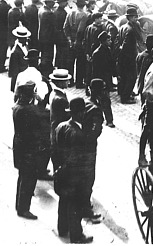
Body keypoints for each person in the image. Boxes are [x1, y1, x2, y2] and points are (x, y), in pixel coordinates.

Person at [54, 97, 94, 244]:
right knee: (75, 205)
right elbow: (76, 158)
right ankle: (76, 235)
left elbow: (55, 150)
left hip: (62, 172)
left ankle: (62, 228)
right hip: (74, 175)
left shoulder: (61, 127)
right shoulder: (78, 134)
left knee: (63, 201)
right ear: (81, 113)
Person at [12, 81, 43, 220]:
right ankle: (24, 208)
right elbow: (41, 117)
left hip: (19, 146)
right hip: (30, 148)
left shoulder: (17, 107)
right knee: (29, 179)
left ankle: (19, 205)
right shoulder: (30, 110)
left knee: (22, 177)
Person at [117, 7, 141, 104]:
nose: (136, 19)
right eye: (135, 17)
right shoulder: (131, 30)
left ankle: (125, 93)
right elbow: (127, 46)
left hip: (123, 57)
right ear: (130, 18)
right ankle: (125, 97)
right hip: (130, 57)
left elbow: (119, 42)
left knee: (124, 76)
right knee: (132, 77)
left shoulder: (123, 27)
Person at [9, 26, 30, 93]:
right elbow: (14, 72)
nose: (26, 39)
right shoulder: (15, 52)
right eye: (24, 38)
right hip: (20, 79)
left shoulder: (26, 45)